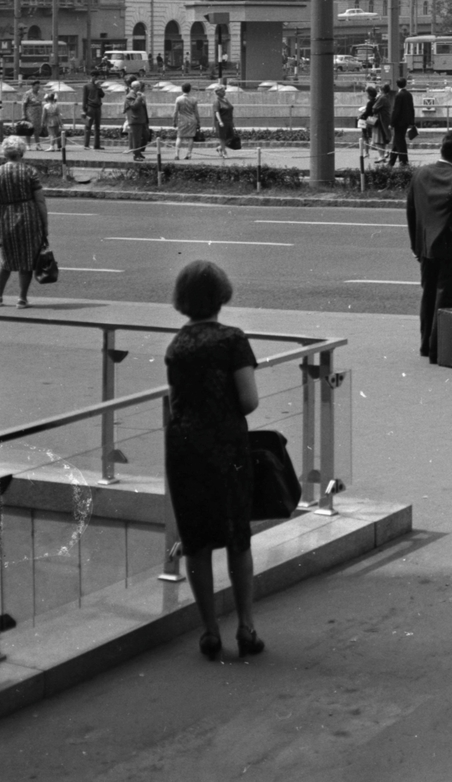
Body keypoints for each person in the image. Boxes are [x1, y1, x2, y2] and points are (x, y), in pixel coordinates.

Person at [164, 260, 264, 661]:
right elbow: (249, 401)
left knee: (197, 541)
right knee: (237, 538)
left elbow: (177, 401)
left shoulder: (176, 346)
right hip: (225, 447)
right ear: (222, 294)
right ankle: (246, 627)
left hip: (184, 448)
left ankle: (209, 632)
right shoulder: (232, 340)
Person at [406, 129, 452, 362]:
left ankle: (425, 345)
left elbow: (411, 211)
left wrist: (417, 244)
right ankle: (438, 348)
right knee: (446, 297)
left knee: (428, 295)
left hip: (425, 246)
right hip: (448, 244)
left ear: (441, 148)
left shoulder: (421, 173)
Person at [0, 136, 47, 308]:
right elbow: (40, 201)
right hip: (29, 218)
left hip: (6, 217)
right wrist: (45, 225)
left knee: (5, 259)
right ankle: (22, 298)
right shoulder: (29, 172)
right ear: (22, 152)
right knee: (27, 260)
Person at [389, 76, 416, 166]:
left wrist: (392, 123)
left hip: (398, 123)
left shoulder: (398, 95)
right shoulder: (409, 94)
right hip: (406, 122)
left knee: (399, 141)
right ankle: (391, 162)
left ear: (397, 85)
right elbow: (412, 109)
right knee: (398, 141)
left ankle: (403, 161)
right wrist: (412, 122)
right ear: (405, 84)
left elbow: (396, 111)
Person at [208, 81, 235, 160]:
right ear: (218, 92)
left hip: (229, 121)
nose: (224, 92)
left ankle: (220, 147)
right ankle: (224, 152)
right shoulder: (217, 102)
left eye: (224, 90)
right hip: (222, 122)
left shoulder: (226, 100)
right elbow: (217, 112)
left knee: (231, 137)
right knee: (222, 138)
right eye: (222, 91)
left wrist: (232, 122)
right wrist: (220, 121)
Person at [124, 80, 150, 161]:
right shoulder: (130, 96)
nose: (140, 89)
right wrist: (139, 97)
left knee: (142, 137)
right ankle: (136, 155)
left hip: (140, 120)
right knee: (136, 138)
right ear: (134, 87)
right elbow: (134, 106)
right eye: (138, 87)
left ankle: (139, 152)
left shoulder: (136, 95)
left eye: (140, 87)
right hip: (135, 120)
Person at [174, 83, 201, 160]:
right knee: (190, 137)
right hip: (192, 119)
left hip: (182, 119)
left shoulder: (178, 99)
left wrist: (174, 121)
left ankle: (177, 154)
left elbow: (175, 111)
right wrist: (198, 121)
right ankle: (188, 154)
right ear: (190, 89)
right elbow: (196, 112)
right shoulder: (194, 99)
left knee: (179, 137)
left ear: (182, 89)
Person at [82, 71, 104, 150]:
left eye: (97, 77)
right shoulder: (86, 86)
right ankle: (86, 145)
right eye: (95, 76)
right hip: (90, 108)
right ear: (91, 76)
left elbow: (102, 95)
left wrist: (99, 88)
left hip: (98, 107)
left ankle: (97, 145)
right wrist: (84, 110)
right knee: (88, 126)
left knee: (97, 127)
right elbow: (84, 98)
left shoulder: (98, 86)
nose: (96, 78)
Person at [357, 84, 380, 163]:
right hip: (373, 119)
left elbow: (367, 112)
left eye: (367, 94)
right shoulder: (376, 100)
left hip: (368, 120)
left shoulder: (370, 103)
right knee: (371, 136)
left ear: (369, 95)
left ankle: (367, 152)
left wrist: (360, 116)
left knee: (366, 136)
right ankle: (381, 152)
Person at [24, 82, 45, 150]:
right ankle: (28, 145)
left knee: (37, 130)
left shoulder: (39, 94)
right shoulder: (27, 93)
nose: (38, 89)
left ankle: (38, 145)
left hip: (38, 114)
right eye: (36, 87)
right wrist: (24, 114)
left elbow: (41, 103)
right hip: (30, 114)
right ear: (32, 86)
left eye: (38, 87)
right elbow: (24, 104)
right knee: (29, 129)